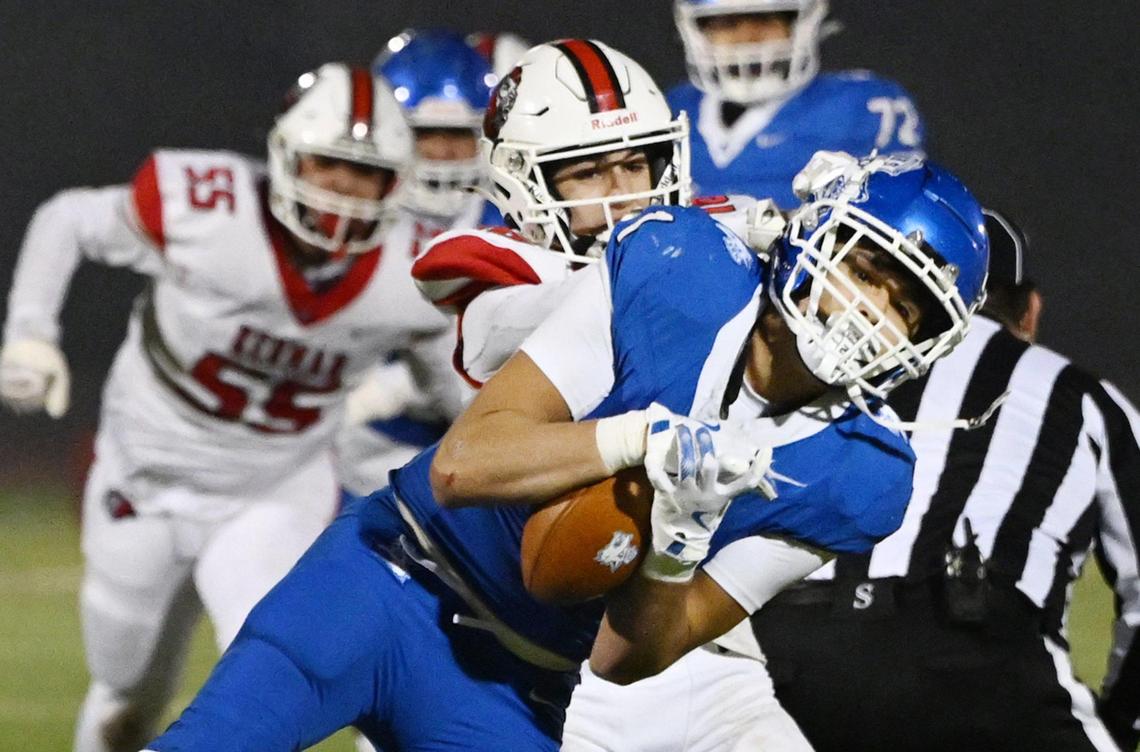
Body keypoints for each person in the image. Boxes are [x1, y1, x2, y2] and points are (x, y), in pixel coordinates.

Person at [144, 41, 987, 752]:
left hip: (527, 674)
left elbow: (628, 655)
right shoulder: (661, 263)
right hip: (389, 577)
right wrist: (641, 442)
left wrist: (679, 541)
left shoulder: (865, 474)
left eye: (908, 306)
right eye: (870, 273)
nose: (873, 312)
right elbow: (463, 460)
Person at [0, 63, 464, 752]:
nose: (343, 192)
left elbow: (450, 384)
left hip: (274, 490)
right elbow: (67, 219)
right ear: (286, 155)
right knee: (126, 689)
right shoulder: (206, 210)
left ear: (397, 184)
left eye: (364, 175)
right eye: (329, 165)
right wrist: (31, 335)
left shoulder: (414, 272)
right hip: (145, 478)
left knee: (279, 678)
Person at [752, 210, 1140, 752]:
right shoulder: (1078, 394)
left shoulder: (811, 368)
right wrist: (1121, 723)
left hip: (785, 652)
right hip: (974, 650)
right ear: (1029, 313)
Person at [335, 29, 503, 497]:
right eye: (427, 135)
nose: (445, 153)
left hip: (470, 441)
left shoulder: (512, 223)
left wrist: (398, 385)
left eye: (459, 135)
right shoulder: (349, 217)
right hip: (353, 444)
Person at [669, 0, 924, 205]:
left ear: (802, 22)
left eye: (765, 19)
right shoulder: (670, 109)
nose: (748, 37)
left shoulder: (865, 107)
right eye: (728, 23)